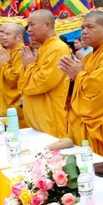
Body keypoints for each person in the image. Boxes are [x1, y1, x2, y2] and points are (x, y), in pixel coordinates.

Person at [58, 11, 103, 161]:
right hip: (86, 125)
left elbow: (99, 89)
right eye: (82, 28)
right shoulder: (89, 57)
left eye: (90, 27)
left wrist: (78, 75)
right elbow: (79, 88)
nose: (84, 32)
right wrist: (74, 78)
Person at [19, 10, 71, 138]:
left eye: (32, 25)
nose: (29, 30)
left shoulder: (58, 48)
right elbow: (22, 85)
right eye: (28, 26)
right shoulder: (42, 48)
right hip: (39, 120)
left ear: (47, 25)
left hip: (50, 119)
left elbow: (43, 82)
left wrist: (30, 65)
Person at [0, 23, 27, 123]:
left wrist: (4, 64)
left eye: (8, 34)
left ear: (18, 37)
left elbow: (13, 78)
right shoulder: (8, 52)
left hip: (15, 107)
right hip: (4, 104)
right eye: (3, 34)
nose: (3, 37)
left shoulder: (21, 52)